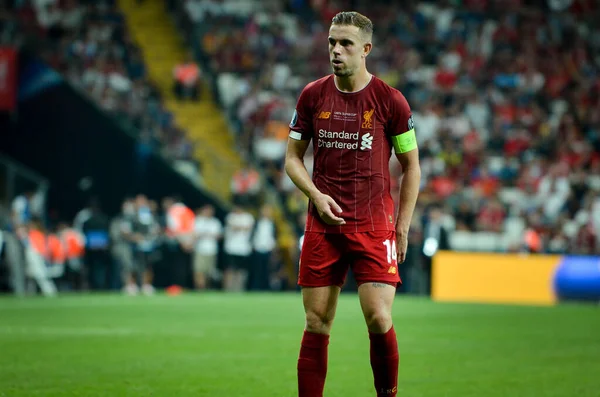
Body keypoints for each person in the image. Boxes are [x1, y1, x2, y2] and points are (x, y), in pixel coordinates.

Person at [284, 11, 421, 397]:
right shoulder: (312, 95)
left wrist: (403, 226)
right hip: (322, 225)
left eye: (345, 43)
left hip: (374, 224)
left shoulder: (391, 101)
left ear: (366, 49)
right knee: (316, 322)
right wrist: (315, 194)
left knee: (379, 317)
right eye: (331, 42)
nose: (336, 50)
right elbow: (292, 158)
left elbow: (412, 167)